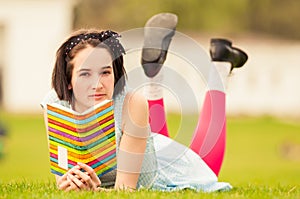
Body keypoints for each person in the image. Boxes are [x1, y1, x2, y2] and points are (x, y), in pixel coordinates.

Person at [41, 13, 248, 192]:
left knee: (207, 171)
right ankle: (157, 78)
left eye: (105, 72)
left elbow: (126, 190)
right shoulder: (54, 103)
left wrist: (94, 191)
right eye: (85, 74)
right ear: (68, 81)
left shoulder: (132, 103)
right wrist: (72, 185)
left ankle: (219, 67)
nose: (97, 84)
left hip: (160, 171)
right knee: (144, 135)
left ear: (115, 73)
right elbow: (62, 173)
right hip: (145, 144)